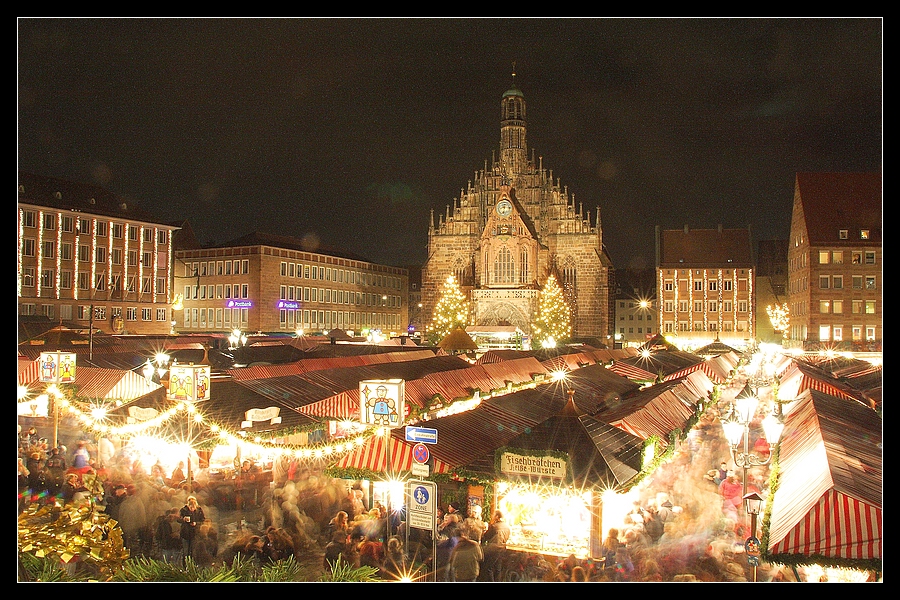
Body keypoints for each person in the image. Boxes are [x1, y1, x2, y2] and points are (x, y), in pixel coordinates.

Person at [480, 510, 510, 582]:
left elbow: (486, 536)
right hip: (502, 548)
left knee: (488, 568)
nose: (492, 517)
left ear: (497, 517)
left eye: (493, 515)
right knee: (498, 568)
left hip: (493, 549)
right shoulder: (507, 527)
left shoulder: (494, 526)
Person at [179, 495, 206, 564]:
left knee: (193, 551)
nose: (192, 509)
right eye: (191, 508)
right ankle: (185, 565)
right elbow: (178, 519)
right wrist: (183, 519)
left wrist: (196, 523)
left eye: (193, 508)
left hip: (195, 533)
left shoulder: (199, 510)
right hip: (185, 533)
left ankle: (192, 565)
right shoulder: (183, 510)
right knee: (185, 551)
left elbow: (203, 520)